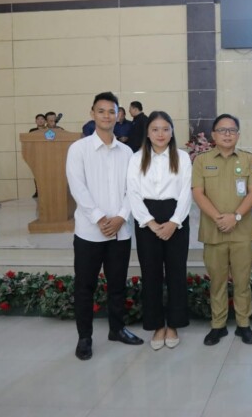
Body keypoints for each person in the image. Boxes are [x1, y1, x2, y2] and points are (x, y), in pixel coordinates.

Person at [65, 91, 143, 360]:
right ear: (92, 113)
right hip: (89, 232)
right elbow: (78, 187)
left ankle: (117, 329)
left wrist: (121, 217)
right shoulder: (79, 149)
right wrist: (99, 218)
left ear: (119, 115)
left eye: (112, 111)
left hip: (120, 231)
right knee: (84, 286)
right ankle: (84, 337)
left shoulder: (127, 152)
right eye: (101, 111)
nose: (107, 116)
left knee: (117, 284)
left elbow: (133, 189)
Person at [192, 114, 252, 346]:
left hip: (242, 232)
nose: (227, 134)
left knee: (242, 281)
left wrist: (236, 217)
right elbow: (198, 192)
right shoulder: (201, 160)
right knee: (217, 282)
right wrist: (219, 218)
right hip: (214, 231)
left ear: (238, 135)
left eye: (232, 130)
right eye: (222, 130)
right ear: (213, 135)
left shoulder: (249, 159)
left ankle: (244, 324)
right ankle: (218, 326)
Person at [127, 111, 192, 350]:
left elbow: (186, 192)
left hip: (176, 217)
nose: (160, 134)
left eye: (165, 129)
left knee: (176, 272)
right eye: (155, 129)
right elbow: (133, 192)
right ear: (147, 133)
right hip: (147, 219)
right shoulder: (136, 158)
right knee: (151, 273)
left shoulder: (182, 157)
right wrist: (151, 223)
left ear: (172, 132)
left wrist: (174, 222)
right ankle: (156, 325)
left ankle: (174, 324)